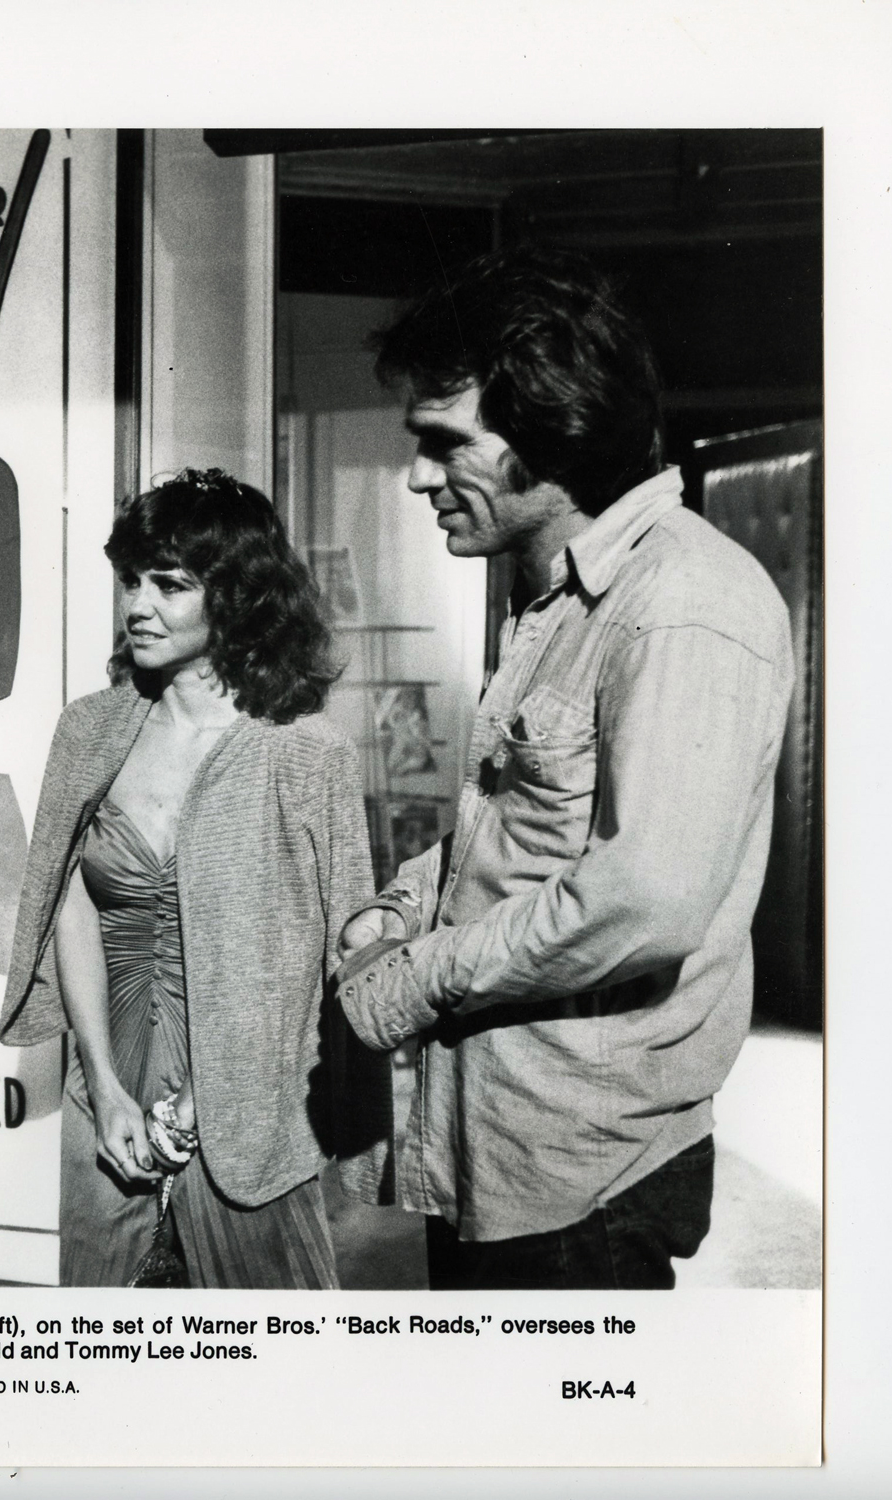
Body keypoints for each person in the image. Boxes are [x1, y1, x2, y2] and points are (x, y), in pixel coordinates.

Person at [334, 246, 796, 1290]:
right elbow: (523, 826)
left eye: (442, 444)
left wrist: (411, 980)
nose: (415, 477)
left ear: (545, 433)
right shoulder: (553, 594)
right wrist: (401, 905)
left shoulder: (685, 602)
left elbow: (646, 899)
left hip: (582, 1181)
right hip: (498, 1148)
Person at [0, 470, 388, 1289]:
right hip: (107, 1083)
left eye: (169, 585)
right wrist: (103, 1089)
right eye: (132, 581)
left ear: (238, 596)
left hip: (252, 1102)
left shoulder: (305, 750)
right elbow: (66, 908)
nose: (138, 605)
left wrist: (214, 1103)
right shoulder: (90, 729)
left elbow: (336, 965)